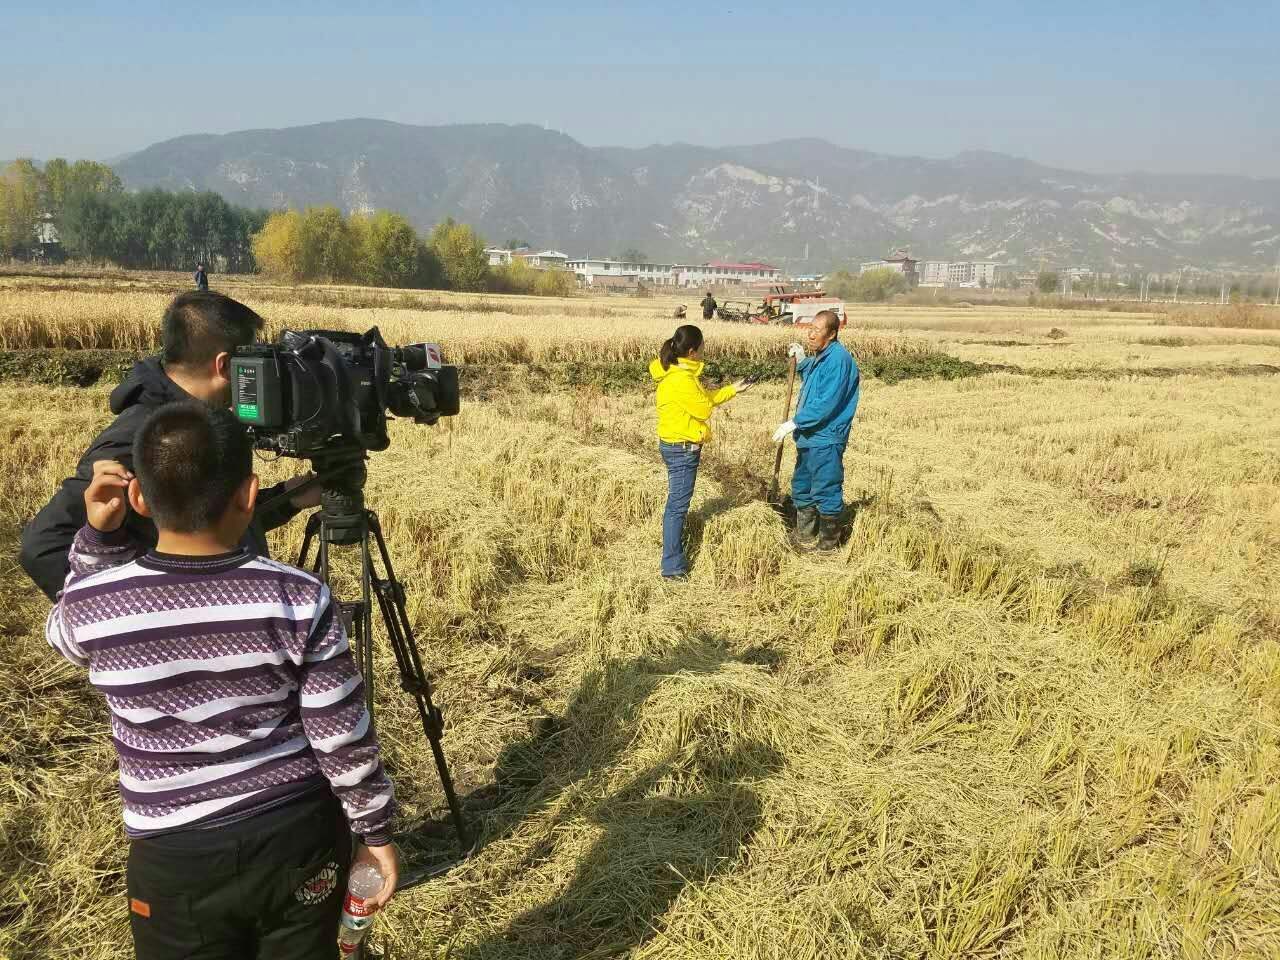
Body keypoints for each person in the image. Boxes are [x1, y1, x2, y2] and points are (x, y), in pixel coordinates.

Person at [46, 401, 398, 959]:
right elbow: (341, 734)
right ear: (250, 494)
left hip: (173, 852)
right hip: (297, 834)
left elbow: (63, 635)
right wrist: (375, 833)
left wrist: (98, 540)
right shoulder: (298, 597)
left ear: (139, 498)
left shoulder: (92, 605)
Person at [19, 290, 317, 601]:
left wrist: (288, 498)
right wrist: (126, 620)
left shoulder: (199, 421)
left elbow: (204, 521)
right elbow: (42, 546)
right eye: (252, 357)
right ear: (226, 365)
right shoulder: (145, 434)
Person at [649, 324, 752, 578]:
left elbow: (703, 397)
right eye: (703, 346)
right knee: (677, 507)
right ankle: (672, 567)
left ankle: (672, 558)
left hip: (673, 442)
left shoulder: (675, 370)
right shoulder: (682, 379)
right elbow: (703, 408)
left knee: (676, 503)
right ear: (693, 351)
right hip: (683, 448)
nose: (706, 350)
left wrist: (732, 390)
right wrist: (719, 396)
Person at [772, 309, 860, 551]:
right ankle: (805, 535)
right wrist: (801, 361)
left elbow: (826, 402)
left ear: (831, 334)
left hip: (826, 437)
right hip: (810, 438)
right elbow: (812, 372)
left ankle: (828, 545)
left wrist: (795, 422)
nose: (811, 334)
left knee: (825, 488)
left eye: (817, 330)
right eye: (810, 328)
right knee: (802, 486)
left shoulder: (839, 360)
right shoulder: (822, 357)